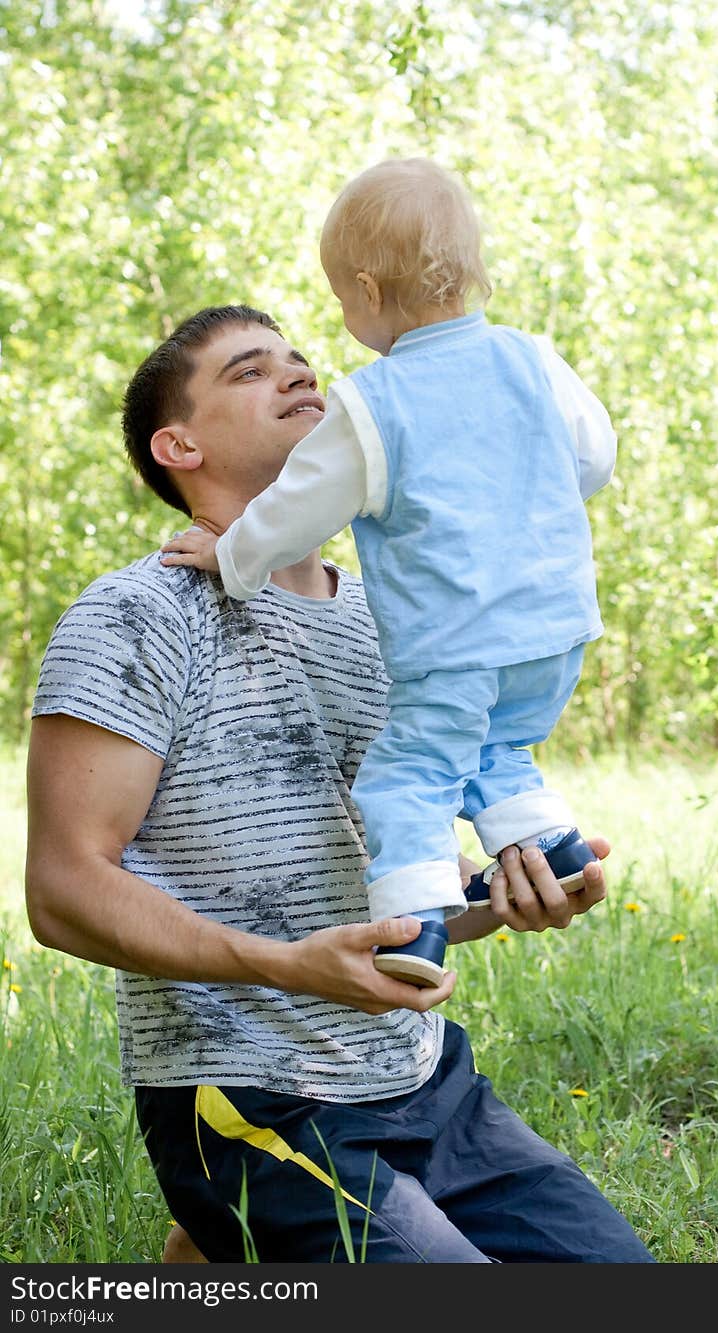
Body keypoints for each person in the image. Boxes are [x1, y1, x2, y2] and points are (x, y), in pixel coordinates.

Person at [25, 304, 654, 1264]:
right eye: (249, 371)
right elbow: (62, 890)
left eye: (301, 361)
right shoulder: (133, 614)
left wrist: (499, 896)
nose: (299, 376)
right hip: (247, 1093)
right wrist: (282, 965)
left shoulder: (393, 618)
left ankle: (214, 1259)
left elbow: (390, 894)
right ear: (177, 443)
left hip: (423, 1080)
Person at [160, 158, 618, 988]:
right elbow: (592, 458)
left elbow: (300, 507)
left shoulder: (376, 402)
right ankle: (548, 840)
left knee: (411, 768)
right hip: (555, 634)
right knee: (495, 742)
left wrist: (231, 556)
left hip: (456, 645)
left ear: (367, 292)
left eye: (338, 302)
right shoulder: (532, 358)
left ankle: (412, 926)